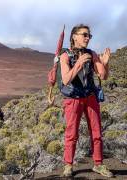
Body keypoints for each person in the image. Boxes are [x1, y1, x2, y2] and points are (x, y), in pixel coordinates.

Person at [59, 24, 113, 178]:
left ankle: (98, 164)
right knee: (72, 133)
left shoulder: (91, 54)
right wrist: (78, 63)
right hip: (73, 98)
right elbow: (65, 79)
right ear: (74, 36)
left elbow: (103, 76)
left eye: (89, 36)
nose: (87, 38)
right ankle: (68, 165)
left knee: (96, 133)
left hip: (90, 97)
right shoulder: (65, 56)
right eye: (84, 35)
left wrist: (106, 63)